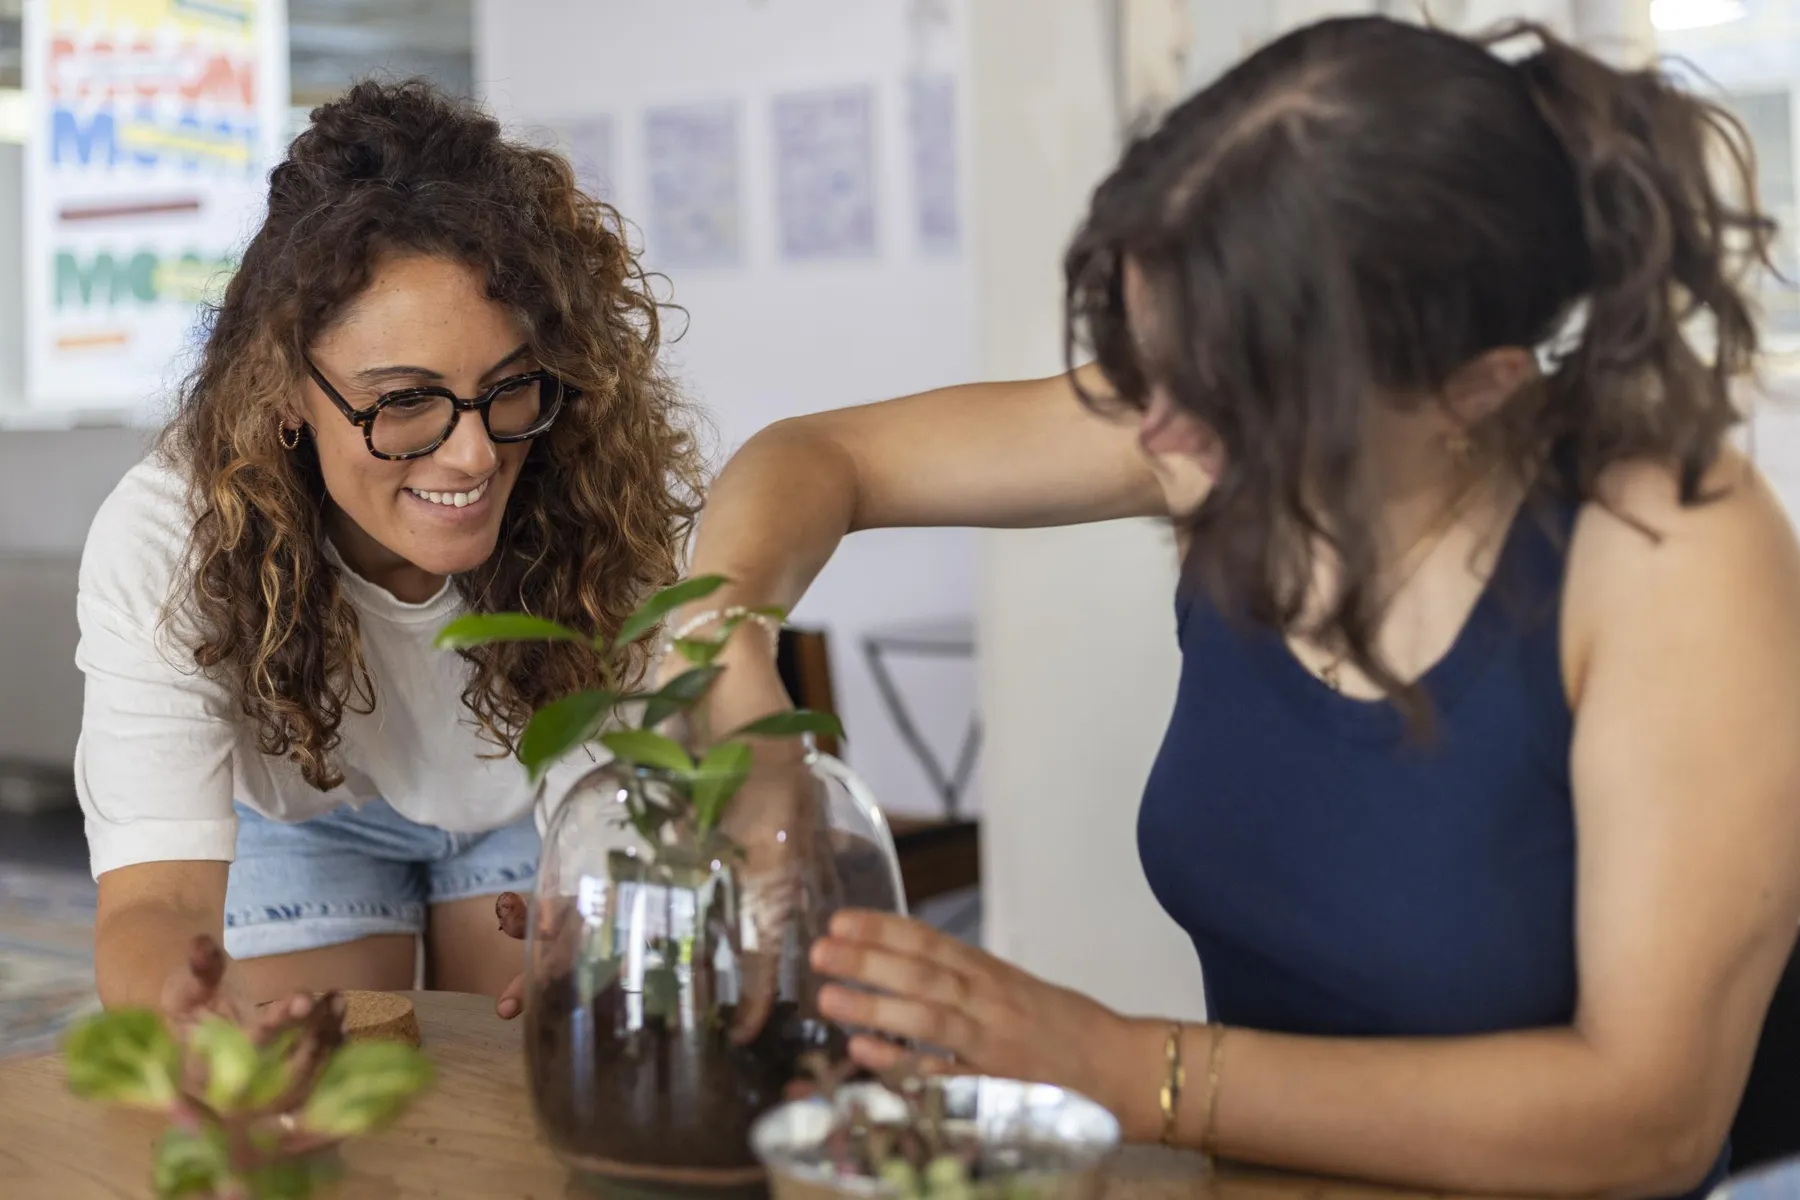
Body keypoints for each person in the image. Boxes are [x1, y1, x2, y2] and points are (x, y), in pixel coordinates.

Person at [672, 18, 1800, 1199]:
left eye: (1224, 398)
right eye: (1150, 356)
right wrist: (718, 640)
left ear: (1476, 388)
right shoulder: (1210, 418)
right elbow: (821, 456)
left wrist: (1122, 1065)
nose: (1152, 430)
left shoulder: (1671, 544)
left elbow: (1648, 1120)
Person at [77, 81, 701, 1024]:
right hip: (304, 817)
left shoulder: (598, 495)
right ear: (283, 387)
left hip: (523, 804)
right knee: (315, 1087)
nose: (475, 453)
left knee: (530, 1082)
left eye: (510, 386)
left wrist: (611, 925)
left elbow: (628, 803)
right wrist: (191, 1014)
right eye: (402, 400)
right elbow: (155, 902)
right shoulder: (172, 535)